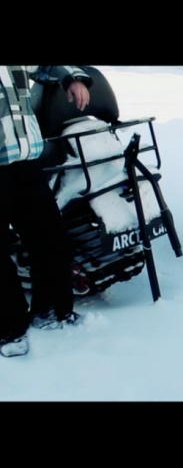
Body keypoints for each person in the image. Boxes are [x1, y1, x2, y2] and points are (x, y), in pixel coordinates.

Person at [0, 66, 92, 358]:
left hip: (24, 160)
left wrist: (72, 79)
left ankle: (51, 310)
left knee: (50, 237)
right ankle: (8, 328)